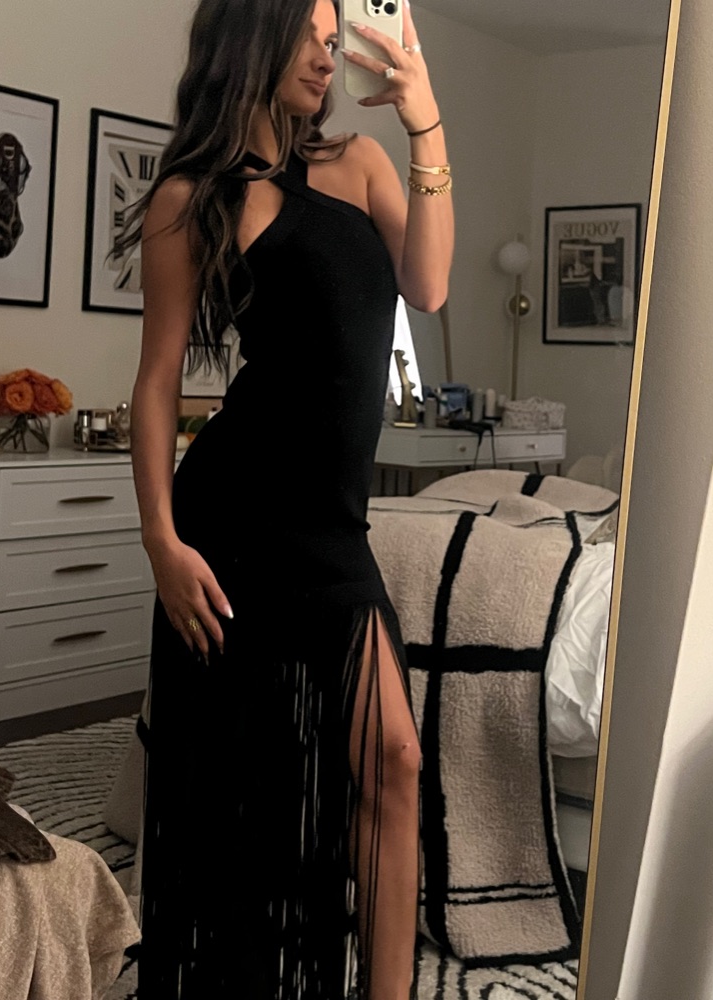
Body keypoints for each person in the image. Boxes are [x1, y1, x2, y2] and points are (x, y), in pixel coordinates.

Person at [121, 0, 453, 996]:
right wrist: (160, 540)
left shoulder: (360, 163)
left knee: (394, 760)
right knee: (242, 783)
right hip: (231, 522)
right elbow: (158, 380)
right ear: (253, 38)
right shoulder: (191, 197)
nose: (327, 52)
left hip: (331, 531)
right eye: (309, 32)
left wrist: (426, 122)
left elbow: (429, 285)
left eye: (333, 34)